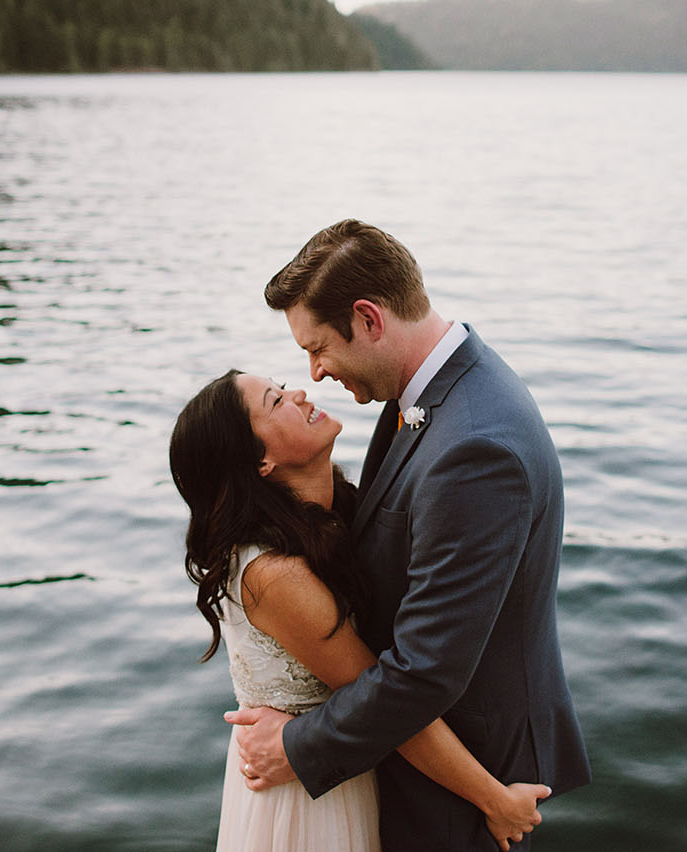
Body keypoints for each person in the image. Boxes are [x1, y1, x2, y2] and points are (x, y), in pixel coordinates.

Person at [228, 220, 590, 851]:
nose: (313, 373)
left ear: (369, 318)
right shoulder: (433, 391)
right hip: (425, 753)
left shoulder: (475, 447)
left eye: (318, 347)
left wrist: (296, 745)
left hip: (465, 772)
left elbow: (425, 672)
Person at [170, 369, 552, 851]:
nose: (300, 392)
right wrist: (494, 800)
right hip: (307, 804)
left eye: (282, 385)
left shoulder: (332, 515)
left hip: (343, 774)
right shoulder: (273, 574)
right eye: (276, 400)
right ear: (261, 460)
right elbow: (385, 698)